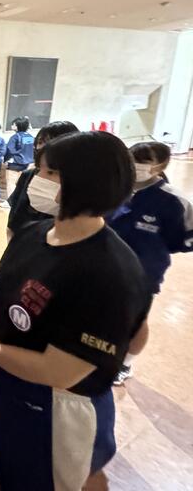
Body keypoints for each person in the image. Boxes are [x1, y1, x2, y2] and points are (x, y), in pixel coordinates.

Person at [0, 131, 152, 491]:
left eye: (48, 172)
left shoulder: (110, 271)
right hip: (9, 386)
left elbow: (61, 370)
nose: (34, 179)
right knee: (12, 476)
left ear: (80, 182)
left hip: (57, 407)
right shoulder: (33, 234)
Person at [109, 141, 193, 384]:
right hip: (106, 266)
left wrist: (152, 249)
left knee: (135, 320)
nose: (135, 165)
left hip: (143, 273)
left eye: (143, 161)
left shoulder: (173, 201)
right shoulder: (115, 190)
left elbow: (183, 240)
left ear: (161, 165)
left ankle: (125, 363)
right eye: (132, 158)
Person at [7, 121, 79, 239]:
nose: (41, 147)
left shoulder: (78, 182)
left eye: (50, 142)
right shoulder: (28, 176)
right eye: (40, 142)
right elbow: (14, 221)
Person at [2, 116, 34, 199]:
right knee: (23, 184)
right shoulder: (31, 137)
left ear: (17, 126)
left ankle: (11, 201)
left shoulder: (15, 137)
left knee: (11, 183)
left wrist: (5, 160)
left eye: (13, 124)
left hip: (15, 164)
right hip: (29, 164)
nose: (12, 126)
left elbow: (9, 150)